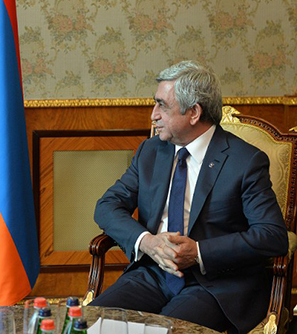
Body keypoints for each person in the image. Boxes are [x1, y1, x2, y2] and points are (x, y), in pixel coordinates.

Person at [90, 61, 288, 333]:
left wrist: (197, 252)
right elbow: (107, 206)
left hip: (215, 284)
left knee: (166, 331)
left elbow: (272, 236)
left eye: (162, 105)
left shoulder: (245, 161)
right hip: (153, 274)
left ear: (194, 112)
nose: (153, 115)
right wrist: (147, 242)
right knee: (91, 325)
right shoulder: (150, 151)